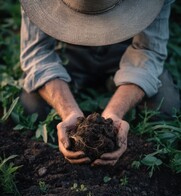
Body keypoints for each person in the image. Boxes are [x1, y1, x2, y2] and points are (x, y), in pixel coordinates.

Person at [20, 0, 180, 166]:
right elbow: (38, 55)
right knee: (31, 106)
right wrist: (68, 112)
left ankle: (116, 81)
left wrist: (114, 113)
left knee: (166, 106)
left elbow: (147, 52)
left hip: (126, 50)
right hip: (72, 54)